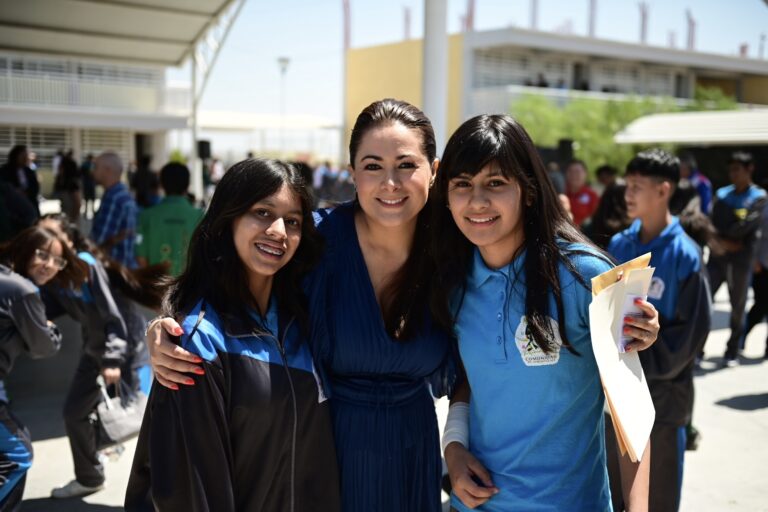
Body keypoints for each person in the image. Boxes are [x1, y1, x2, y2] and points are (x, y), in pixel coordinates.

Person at [145, 99, 456, 511]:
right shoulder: (315, 241)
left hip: (414, 456)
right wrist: (169, 326)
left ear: (433, 171)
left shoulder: (454, 250)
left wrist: (458, 441)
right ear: (353, 175)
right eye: (373, 166)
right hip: (325, 454)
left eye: (406, 165)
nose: (390, 183)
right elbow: (236, 284)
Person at [432, 115, 658, 511]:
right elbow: (470, 380)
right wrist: (453, 448)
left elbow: (631, 413)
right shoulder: (452, 282)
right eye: (462, 185)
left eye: (496, 183)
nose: (477, 201)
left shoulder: (589, 275)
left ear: (530, 191)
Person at [125, 159, 340, 511]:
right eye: (262, 212)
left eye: (293, 221)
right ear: (229, 218)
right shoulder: (199, 343)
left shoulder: (306, 320)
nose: (279, 232)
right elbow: (191, 491)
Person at [607, 149, 711, 512]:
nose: (628, 194)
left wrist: (645, 366)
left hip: (664, 397)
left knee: (659, 497)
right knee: (616, 492)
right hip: (617, 395)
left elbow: (693, 334)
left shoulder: (686, 254)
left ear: (664, 189)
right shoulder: (619, 245)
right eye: (627, 186)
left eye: (637, 186)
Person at [39, 214, 160, 499]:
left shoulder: (85, 266)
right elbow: (50, 306)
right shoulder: (53, 271)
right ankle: (90, 476)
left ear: (69, 240)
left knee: (145, 419)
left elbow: (113, 317)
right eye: (40, 236)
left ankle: (167, 492)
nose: (45, 244)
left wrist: (112, 359)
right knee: (74, 413)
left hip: (124, 351)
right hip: (93, 350)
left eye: (52, 236)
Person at [0, 226, 86, 510]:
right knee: (18, 452)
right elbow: (43, 347)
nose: (50, 266)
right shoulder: (22, 291)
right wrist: (49, 329)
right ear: (26, 248)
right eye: (42, 255)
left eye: (57, 261)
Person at [707, 151, 767, 367]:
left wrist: (730, 236)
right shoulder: (722, 194)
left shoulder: (758, 197)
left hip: (741, 259)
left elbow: (746, 226)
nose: (733, 174)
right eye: (730, 169)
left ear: (749, 169)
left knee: (738, 305)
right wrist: (724, 239)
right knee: (705, 299)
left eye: (737, 169)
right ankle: (696, 350)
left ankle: (732, 349)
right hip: (718, 257)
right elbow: (712, 222)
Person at [135, 163, 203, 276]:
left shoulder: (145, 216)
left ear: (161, 184)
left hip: (156, 289)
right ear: (187, 184)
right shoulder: (200, 216)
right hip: (190, 289)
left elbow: (141, 258)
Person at [90, 152, 138, 268]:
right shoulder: (120, 194)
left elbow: (100, 241)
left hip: (114, 270)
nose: (92, 171)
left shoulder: (114, 198)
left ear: (107, 170)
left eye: (96, 167)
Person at [0, 145, 40, 216]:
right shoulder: (4, 171)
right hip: (11, 208)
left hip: (29, 205)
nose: (25, 158)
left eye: (26, 155)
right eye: (22, 155)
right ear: (15, 156)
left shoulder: (29, 171)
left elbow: (35, 188)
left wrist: (27, 193)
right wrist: (15, 192)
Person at [565, 159, 600, 228]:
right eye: (570, 171)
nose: (574, 175)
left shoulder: (592, 195)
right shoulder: (560, 194)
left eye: (577, 172)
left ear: (585, 173)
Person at [54, 154, 82, 223]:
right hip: (66, 218)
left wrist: (73, 220)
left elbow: (78, 203)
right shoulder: (62, 183)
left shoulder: (72, 184)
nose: (58, 168)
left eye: (60, 166)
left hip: (71, 220)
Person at [80, 154, 97, 219]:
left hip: (86, 184)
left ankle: (86, 212)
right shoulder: (91, 165)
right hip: (90, 184)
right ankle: (92, 212)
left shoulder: (84, 165)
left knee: (87, 199)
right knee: (92, 199)